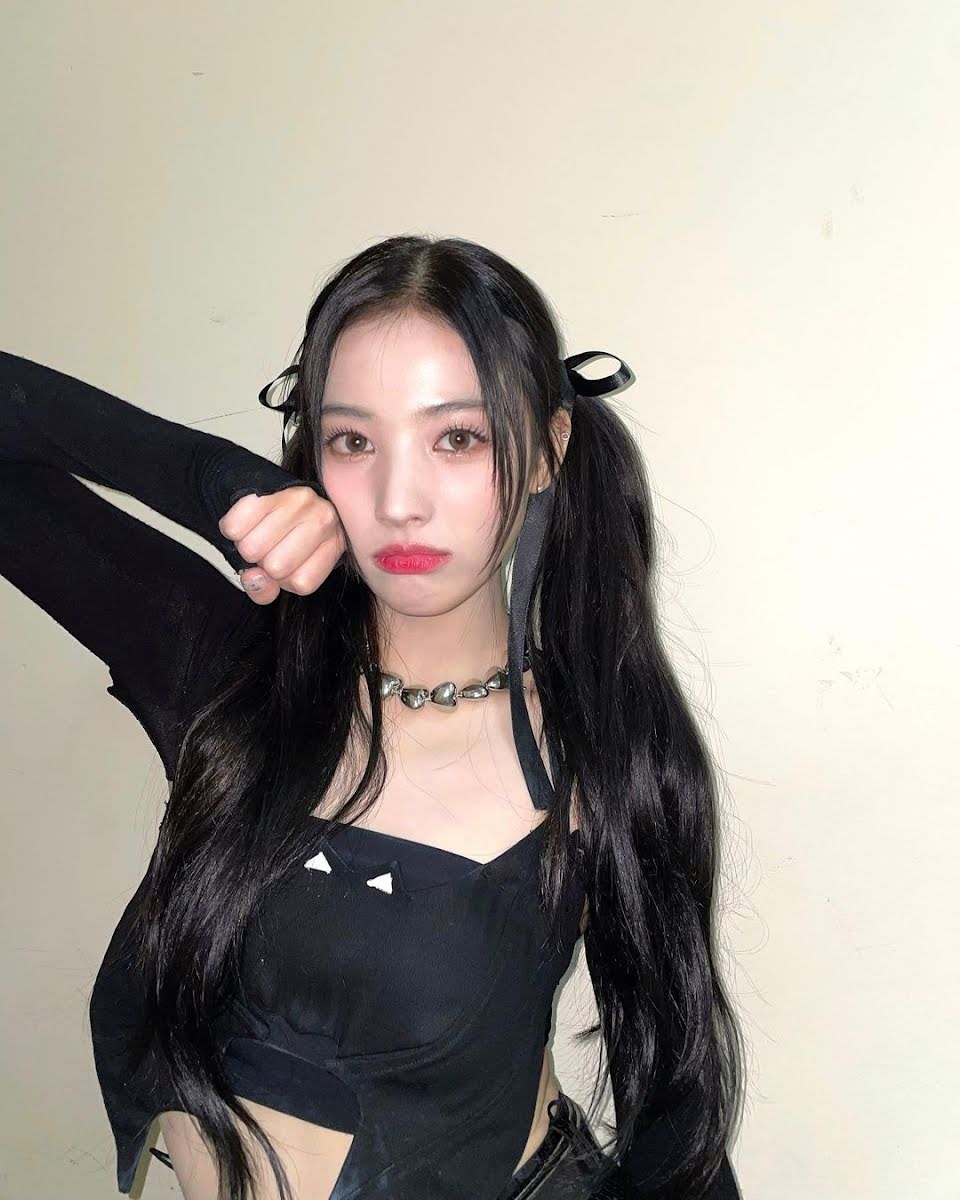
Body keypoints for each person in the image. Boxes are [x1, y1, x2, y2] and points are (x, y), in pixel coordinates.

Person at [0, 235, 745, 1199]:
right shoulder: (227, 671)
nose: (399, 502)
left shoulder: (598, 753)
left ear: (546, 452)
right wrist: (218, 483)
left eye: (459, 439)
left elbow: (675, 1118)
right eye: (352, 441)